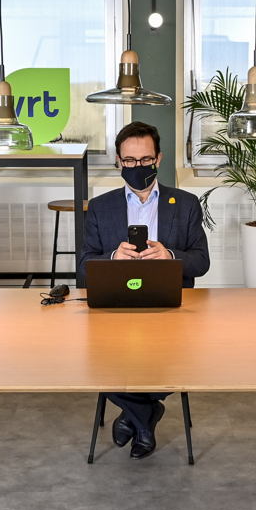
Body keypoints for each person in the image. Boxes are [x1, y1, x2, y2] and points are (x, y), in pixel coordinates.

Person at [79, 121, 210, 459]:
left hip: (169, 309)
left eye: (145, 160)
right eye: (130, 161)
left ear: (159, 158)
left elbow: (201, 262)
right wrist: (111, 257)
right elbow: (84, 267)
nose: (138, 167)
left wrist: (169, 255)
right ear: (118, 162)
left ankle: (135, 416)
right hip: (114, 308)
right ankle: (145, 415)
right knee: (95, 362)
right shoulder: (100, 207)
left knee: (168, 360)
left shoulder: (185, 203)